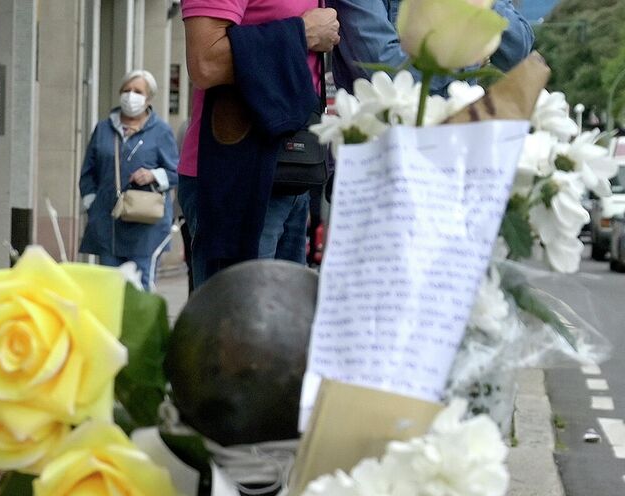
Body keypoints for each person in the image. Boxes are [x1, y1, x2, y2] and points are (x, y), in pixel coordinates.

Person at [181, 0, 341, 286]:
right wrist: (304, 33)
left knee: (283, 311)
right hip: (238, 174)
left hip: (292, 173)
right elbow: (205, 63)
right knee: (237, 309)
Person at [78, 70, 180, 290]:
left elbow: (175, 172)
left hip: (145, 226)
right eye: (126, 90)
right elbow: (88, 173)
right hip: (109, 223)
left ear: (148, 98)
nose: (131, 95)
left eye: (138, 91)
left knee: (140, 288)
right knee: (109, 289)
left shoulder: (160, 131)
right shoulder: (104, 129)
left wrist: (153, 175)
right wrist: (93, 204)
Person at [328, 0, 533, 92]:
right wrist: (470, 59)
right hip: (387, 146)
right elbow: (383, 68)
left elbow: (517, 51)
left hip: (458, 137)